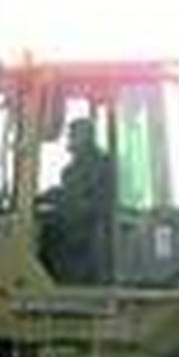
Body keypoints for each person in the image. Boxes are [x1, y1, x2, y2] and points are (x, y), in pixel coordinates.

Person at [41, 116, 113, 283]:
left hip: (86, 233)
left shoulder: (96, 166)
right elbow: (70, 194)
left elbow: (80, 200)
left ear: (85, 136)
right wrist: (47, 196)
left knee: (48, 234)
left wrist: (56, 201)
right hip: (84, 226)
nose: (69, 139)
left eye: (72, 135)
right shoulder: (77, 168)